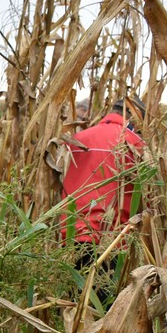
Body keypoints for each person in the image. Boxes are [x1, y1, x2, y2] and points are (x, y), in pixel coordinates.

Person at [60, 97, 146, 270]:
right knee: (105, 295)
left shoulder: (76, 139)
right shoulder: (135, 144)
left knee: (72, 295)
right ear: (136, 118)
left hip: (72, 235)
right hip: (112, 242)